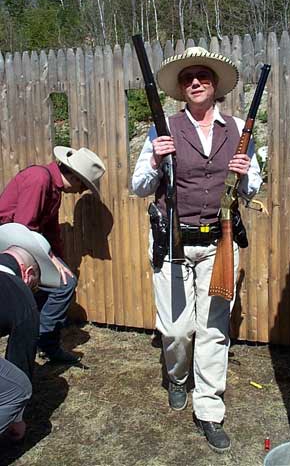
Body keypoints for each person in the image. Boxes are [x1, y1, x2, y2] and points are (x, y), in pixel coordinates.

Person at [132, 46, 262, 453]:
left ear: (215, 85)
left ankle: (209, 408)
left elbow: (253, 187)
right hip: (172, 239)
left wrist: (244, 177)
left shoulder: (238, 127)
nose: (195, 82)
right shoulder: (163, 128)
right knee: (175, 329)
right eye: (188, 78)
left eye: (202, 76)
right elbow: (138, 186)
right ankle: (177, 374)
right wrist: (155, 158)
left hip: (219, 242)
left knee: (213, 329)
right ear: (181, 88)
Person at [0, 146, 106, 364]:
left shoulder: (52, 188)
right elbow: (23, 229)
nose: (80, 192)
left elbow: (50, 232)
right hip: (9, 248)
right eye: (84, 185)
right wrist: (49, 259)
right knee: (65, 284)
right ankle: (39, 338)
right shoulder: (39, 179)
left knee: (61, 281)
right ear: (74, 177)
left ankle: (43, 341)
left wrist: (58, 260)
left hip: (21, 246)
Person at [0, 222, 62, 441]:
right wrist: (17, 418)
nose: (34, 290)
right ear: (26, 274)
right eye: (36, 283)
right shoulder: (21, 295)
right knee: (18, 389)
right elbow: (21, 360)